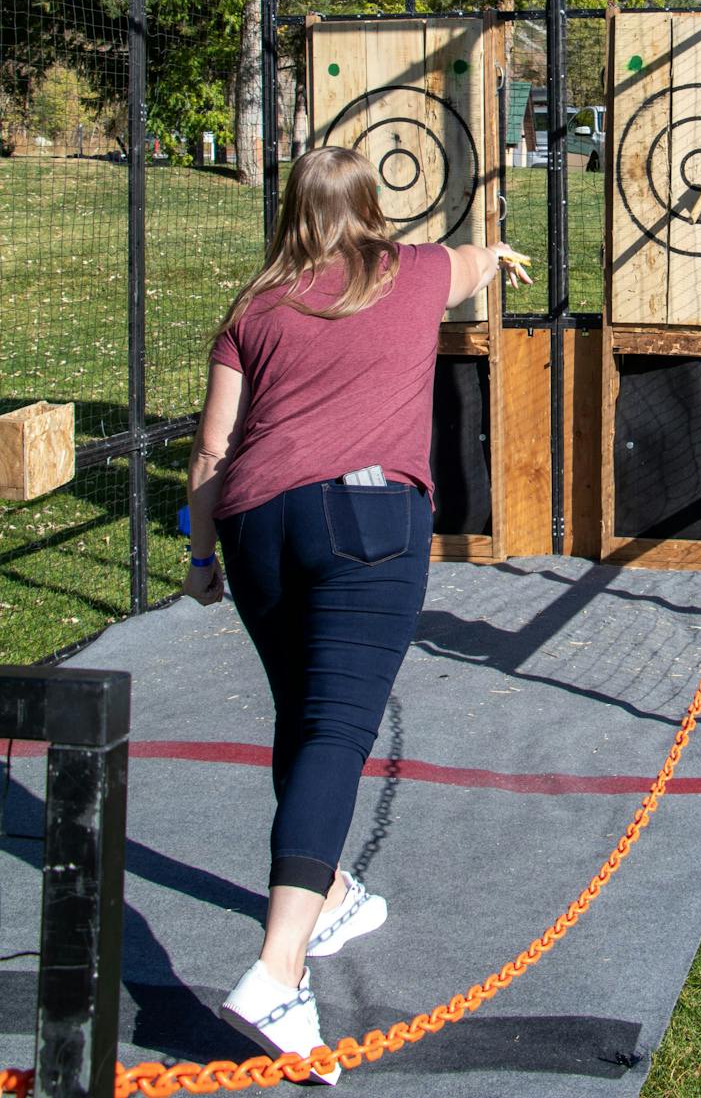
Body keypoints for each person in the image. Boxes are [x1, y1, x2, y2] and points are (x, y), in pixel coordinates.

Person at [181, 146, 531, 1078]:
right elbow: (472, 258)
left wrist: (199, 552)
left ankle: (326, 890)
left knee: (304, 718)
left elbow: (213, 447)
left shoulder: (254, 306)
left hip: (257, 522)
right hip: (368, 518)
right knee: (336, 728)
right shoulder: (407, 273)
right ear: (373, 208)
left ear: (292, 211)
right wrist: (499, 255)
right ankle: (277, 968)